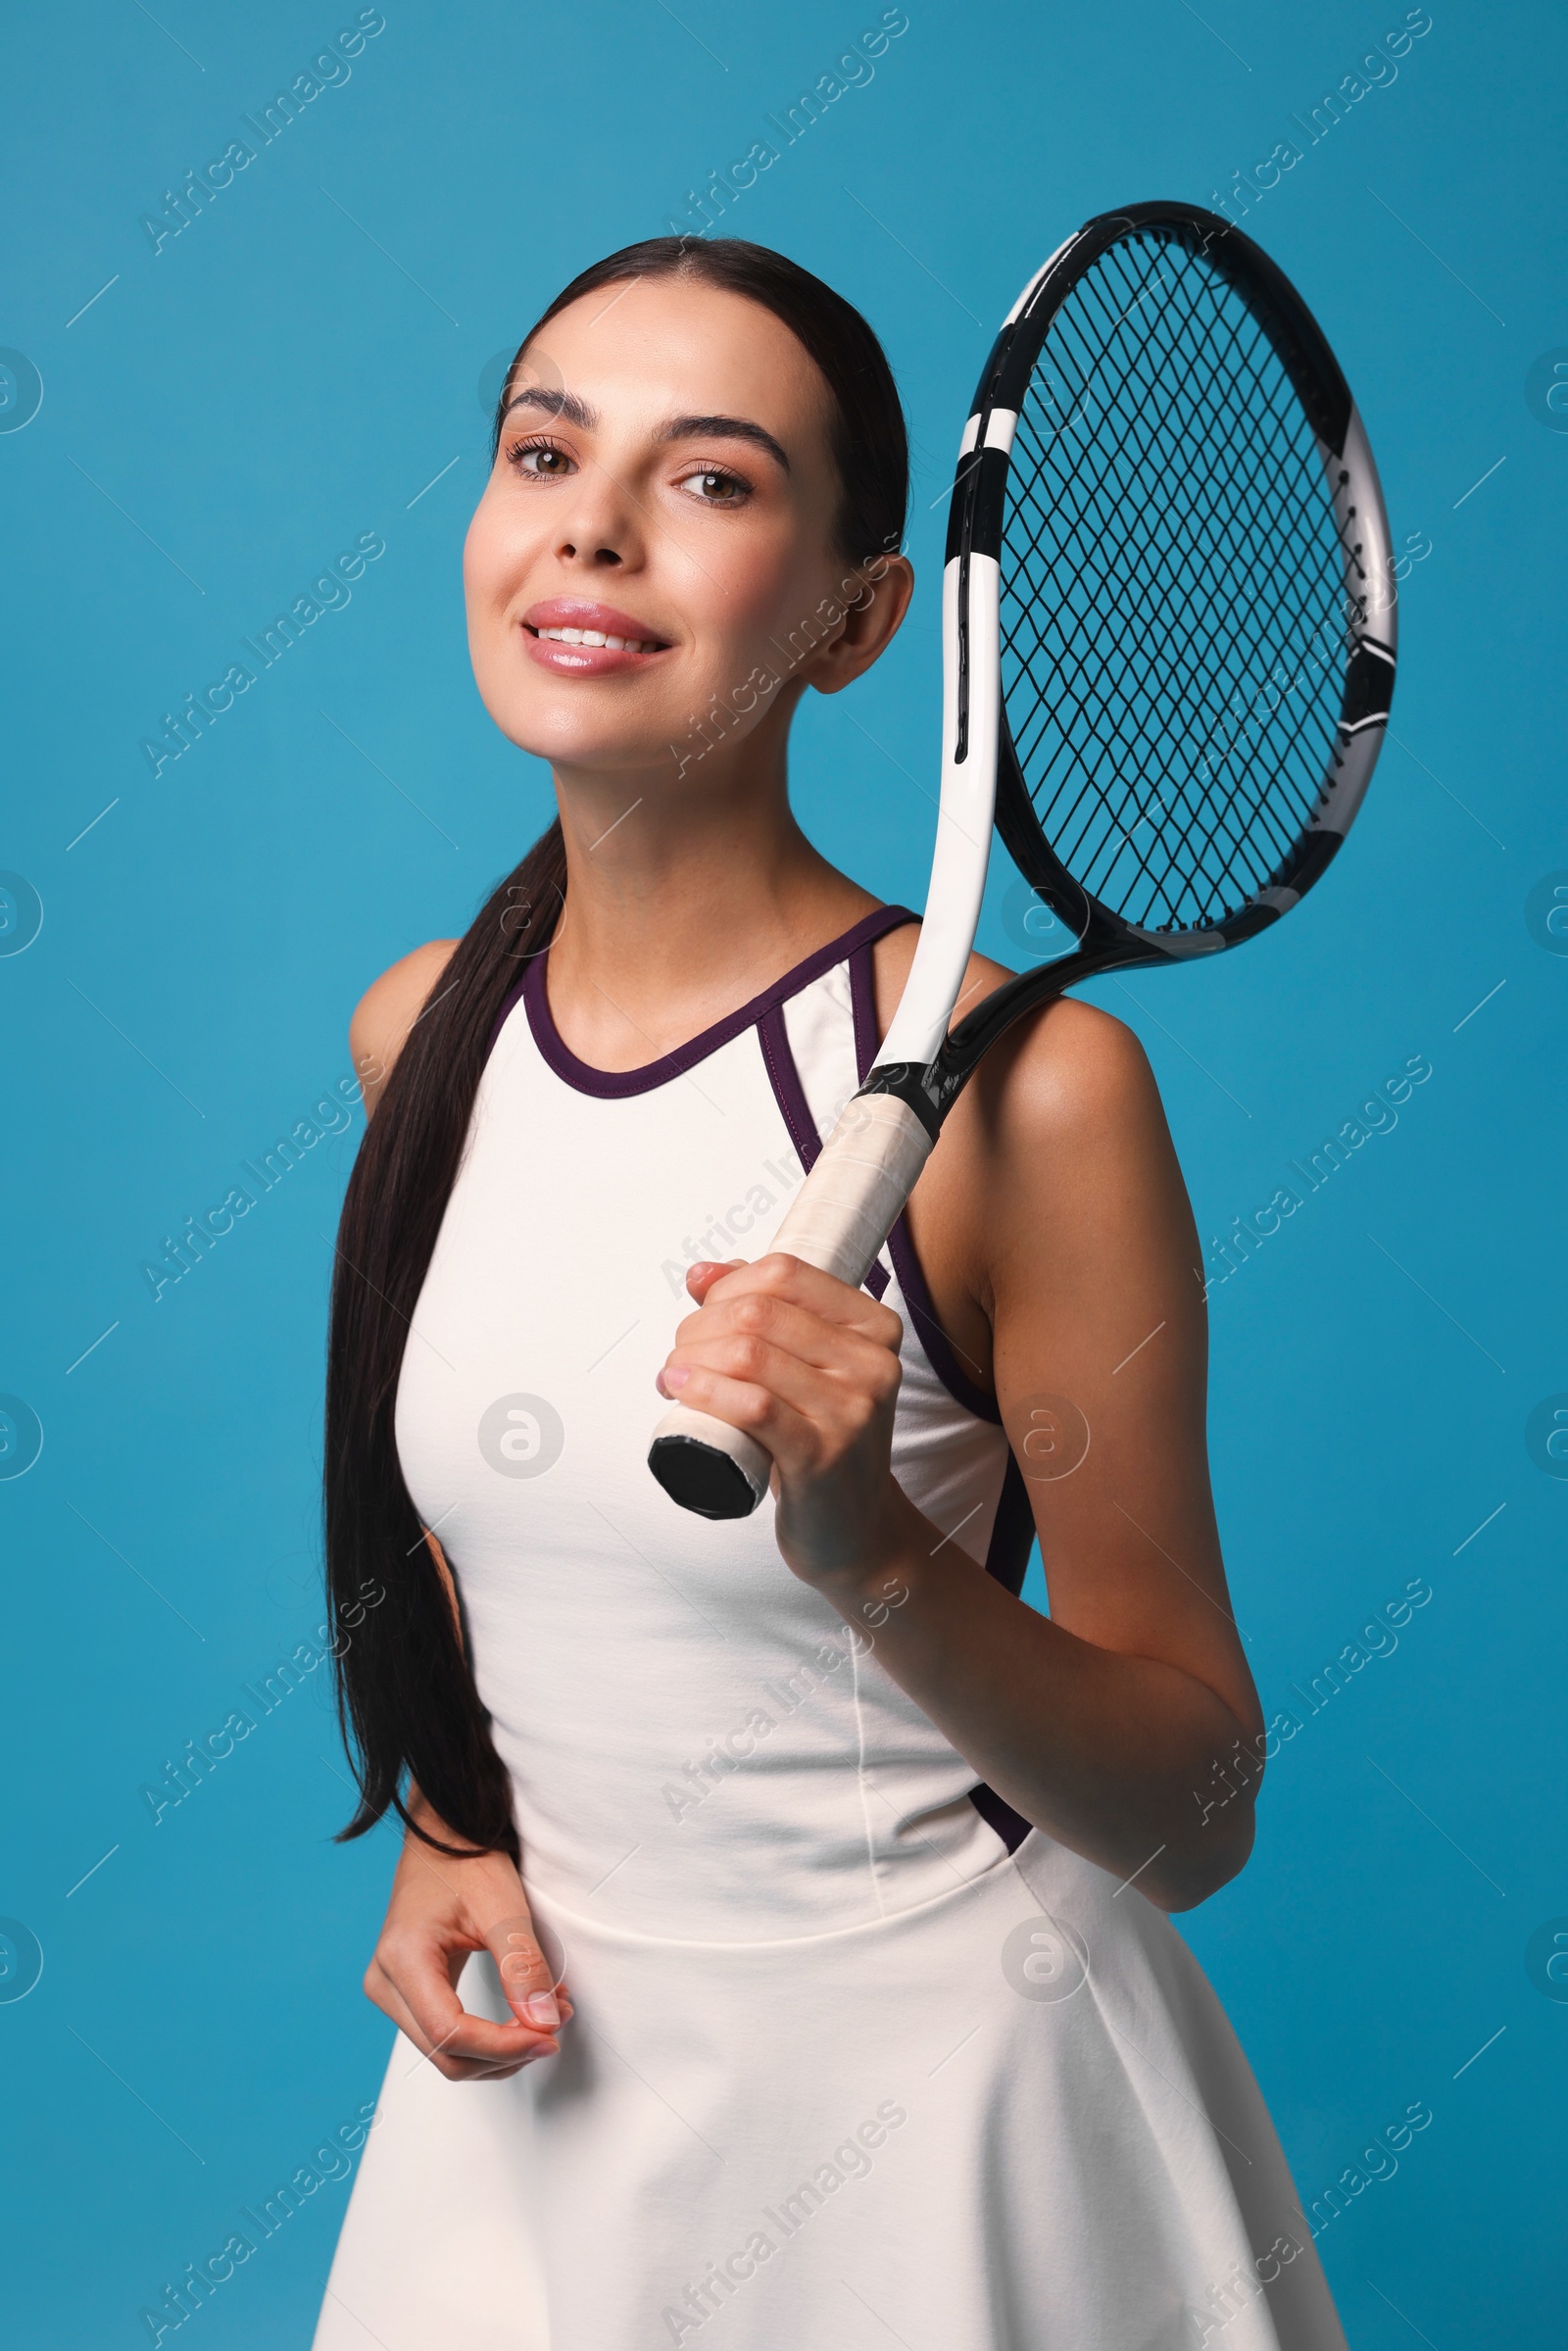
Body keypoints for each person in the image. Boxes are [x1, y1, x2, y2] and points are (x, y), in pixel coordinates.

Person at [313, 236, 1346, 2350]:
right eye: (542, 451)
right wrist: (445, 1816)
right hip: (540, 2100)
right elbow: (471, 1541)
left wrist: (866, 1542)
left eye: (707, 480)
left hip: (952, 2130)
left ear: (860, 620)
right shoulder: (417, 1034)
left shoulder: (1035, 1098)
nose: (589, 524)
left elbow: (1198, 1809)